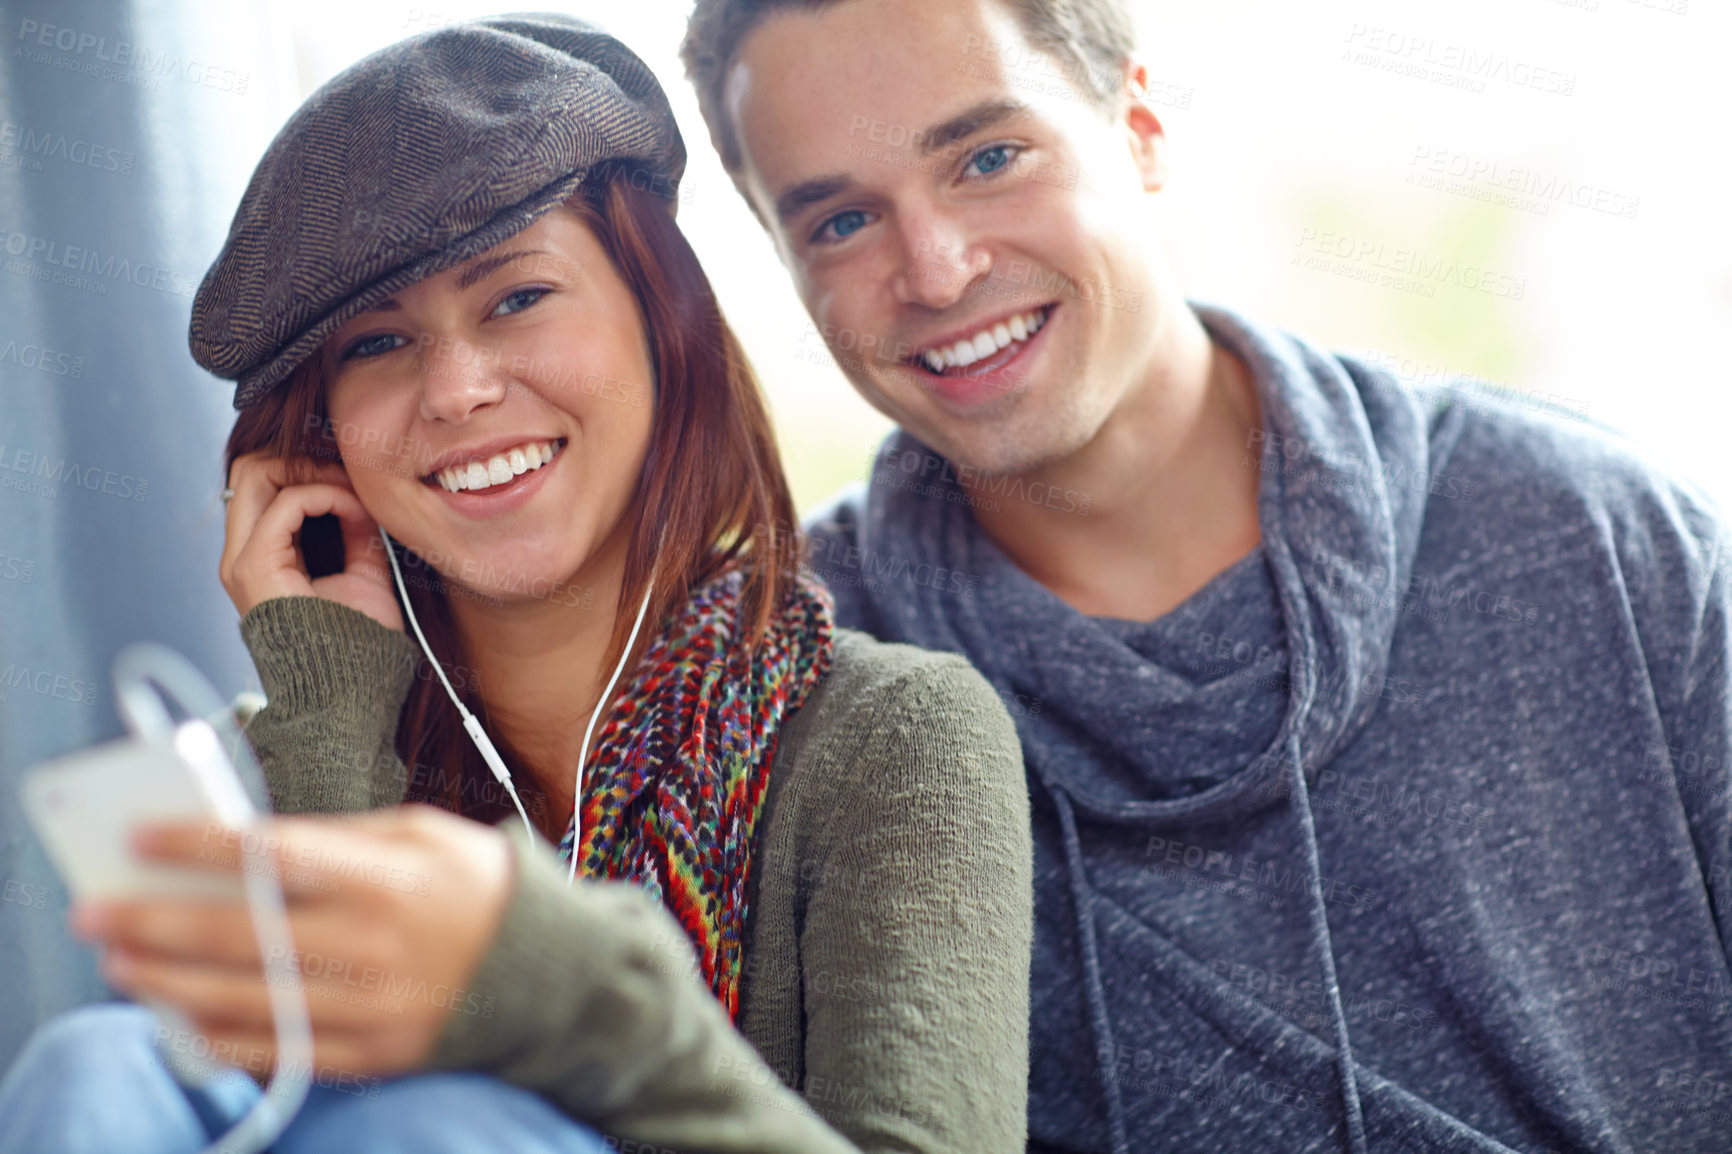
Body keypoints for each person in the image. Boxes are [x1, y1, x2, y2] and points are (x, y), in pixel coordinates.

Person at [678, 1, 1732, 1151]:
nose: (934, 269)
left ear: (1137, 131)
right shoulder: (781, 692)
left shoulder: (1590, 534)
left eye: (987, 157)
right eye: (839, 222)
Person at [0, 15, 1032, 1154]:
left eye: (515, 298)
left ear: (663, 324)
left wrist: (582, 993)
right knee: (95, 1062)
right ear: (320, 439)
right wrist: (334, 733)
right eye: (377, 345)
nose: (455, 390)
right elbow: (281, 1094)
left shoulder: (893, 736)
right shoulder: (274, 764)